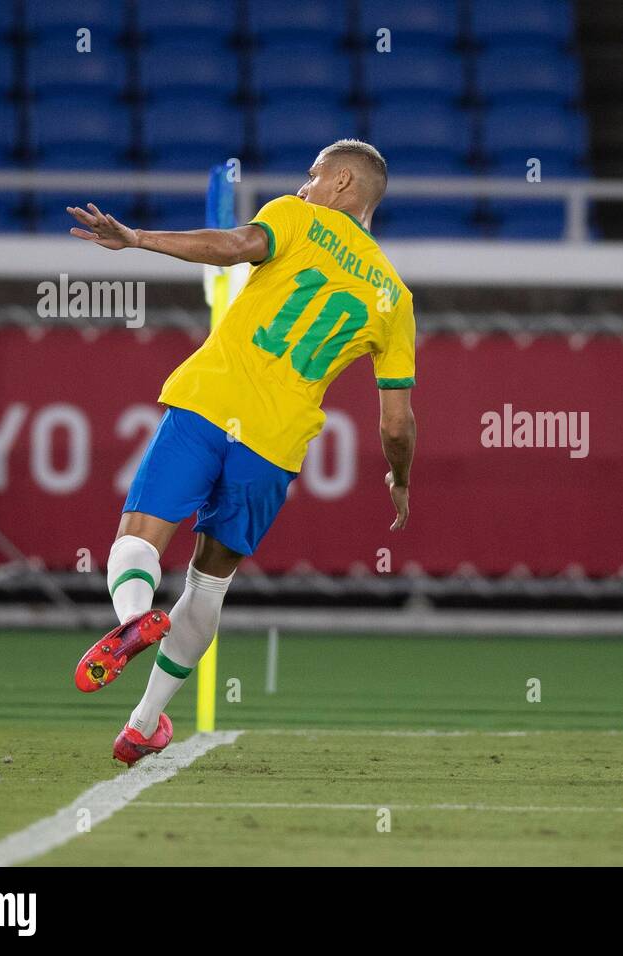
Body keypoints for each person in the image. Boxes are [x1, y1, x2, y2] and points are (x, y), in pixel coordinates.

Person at [66, 140, 417, 765]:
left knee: (138, 538)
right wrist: (399, 478)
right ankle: (143, 724)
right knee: (209, 583)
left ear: (341, 183)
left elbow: (231, 247)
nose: (303, 185)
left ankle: (135, 618)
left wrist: (137, 238)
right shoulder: (394, 296)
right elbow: (396, 421)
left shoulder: (295, 216)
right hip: (273, 447)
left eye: (313, 176)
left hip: (208, 406)